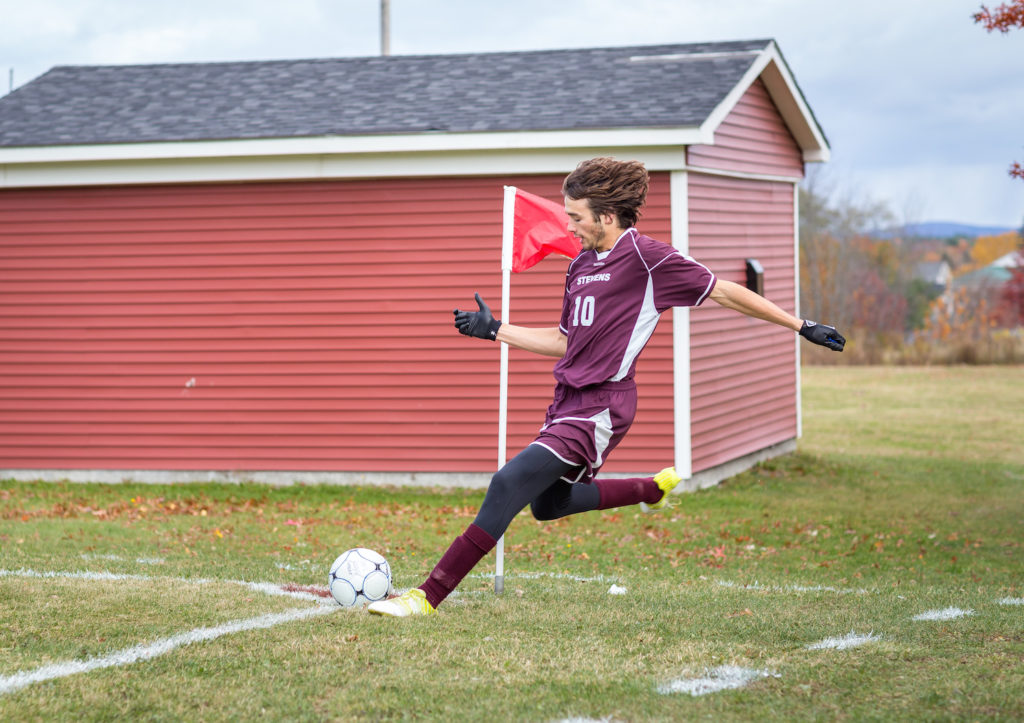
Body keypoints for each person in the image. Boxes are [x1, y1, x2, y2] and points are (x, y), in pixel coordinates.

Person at [368, 157, 845, 617]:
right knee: (547, 505)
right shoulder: (579, 266)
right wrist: (495, 330)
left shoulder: (647, 258)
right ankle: (647, 491)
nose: (570, 226)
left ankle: (425, 597)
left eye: (576, 217)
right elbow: (563, 341)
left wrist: (800, 325)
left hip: (603, 407)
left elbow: (724, 290)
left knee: (507, 482)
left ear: (608, 216)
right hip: (567, 402)